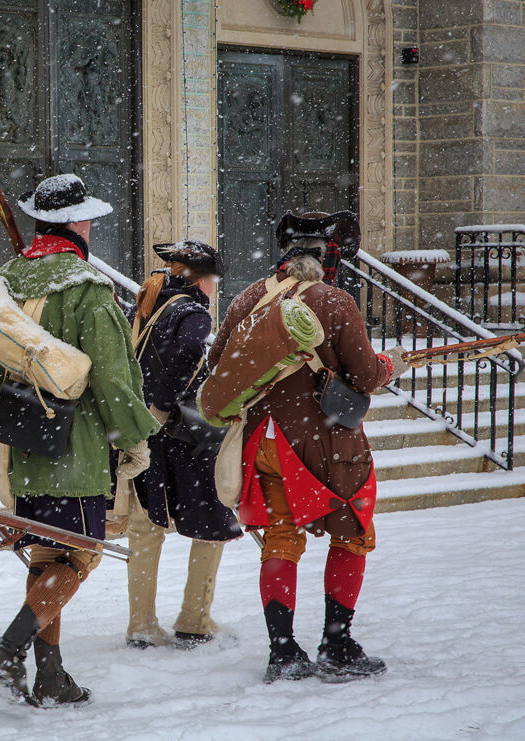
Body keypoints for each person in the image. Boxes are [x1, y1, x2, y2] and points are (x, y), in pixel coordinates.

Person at [0, 174, 159, 708]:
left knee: (45, 554)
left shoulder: (6, 280)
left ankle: (50, 676)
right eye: (87, 218)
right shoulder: (87, 287)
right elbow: (112, 375)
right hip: (74, 446)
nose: (92, 226)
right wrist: (131, 437)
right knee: (79, 556)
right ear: (75, 224)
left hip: (22, 440)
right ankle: (8, 650)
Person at [207, 211, 406, 684]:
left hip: (263, 441)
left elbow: (218, 365)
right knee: (353, 533)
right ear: (326, 256)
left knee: (280, 541)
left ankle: (283, 651)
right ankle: (336, 644)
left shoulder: (249, 298)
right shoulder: (335, 301)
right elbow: (363, 376)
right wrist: (391, 364)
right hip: (326, 442)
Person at [123, 240, 242, 651]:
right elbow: (190, 354)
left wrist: (145, 410)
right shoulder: (193, 312)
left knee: (144, 528)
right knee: (211, 523)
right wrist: (162, 403)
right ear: (203, 280)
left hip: (145, 432)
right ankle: (195, 617)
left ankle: (141, 624)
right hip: (187, 435)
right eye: (213, 280)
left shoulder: (143, 307)